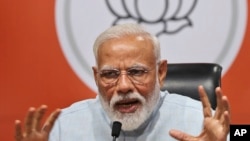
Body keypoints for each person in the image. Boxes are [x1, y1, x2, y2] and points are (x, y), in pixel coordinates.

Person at [14, 23, 230, 141]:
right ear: (97, 77)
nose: (124, 86)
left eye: (136, 72)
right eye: (110, 74)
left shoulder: (198, 120)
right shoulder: (64, 127)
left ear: (161, 72)